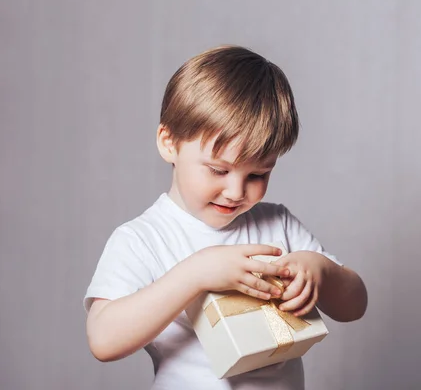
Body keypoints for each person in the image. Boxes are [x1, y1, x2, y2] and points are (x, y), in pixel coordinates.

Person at [84, 45, 368, 390]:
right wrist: (195, 274)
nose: (236, 191)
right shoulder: (144, 238)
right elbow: (103, 339)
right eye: (218, 170)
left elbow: (354, 306)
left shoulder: (276, 224)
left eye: (257, 175)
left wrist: (321, 271)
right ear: (169, 142)